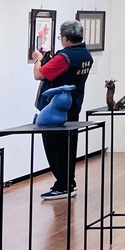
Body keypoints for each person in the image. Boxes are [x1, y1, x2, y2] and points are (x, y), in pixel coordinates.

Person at [32, 20, 93, 200]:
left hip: (55, 110)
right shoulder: (86, 55)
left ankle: (63, 185)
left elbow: (38, 74)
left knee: (55, 147)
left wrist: (38, 59)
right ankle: (68, 183)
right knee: (69, 146)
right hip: (73, 106)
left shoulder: (64, 58)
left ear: (65, 38)